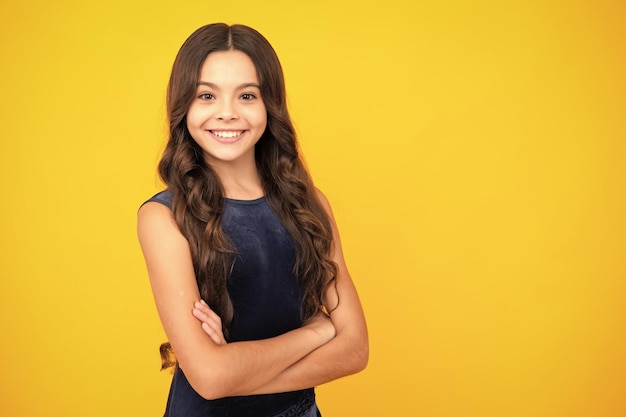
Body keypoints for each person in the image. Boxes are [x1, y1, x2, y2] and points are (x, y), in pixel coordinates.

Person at [137, 23, 368, 417]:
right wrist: (317, 331)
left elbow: (356, 349)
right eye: (206, 95)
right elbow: (209, 379)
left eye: (247, 95)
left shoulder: (311, 205)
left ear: (269, 106)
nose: (227, 113)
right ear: (184, 107)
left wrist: (236, 372)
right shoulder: (163, 218)